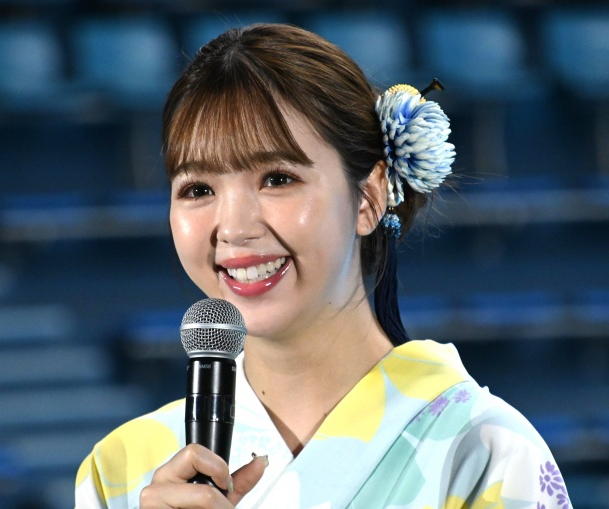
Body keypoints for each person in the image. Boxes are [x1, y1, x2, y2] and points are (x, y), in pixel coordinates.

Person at [75, 23, 571, 508]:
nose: (234, 227)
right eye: (198, 189)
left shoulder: (485, 453)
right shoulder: (121, 471)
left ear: (368, 198)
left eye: (277, 179)